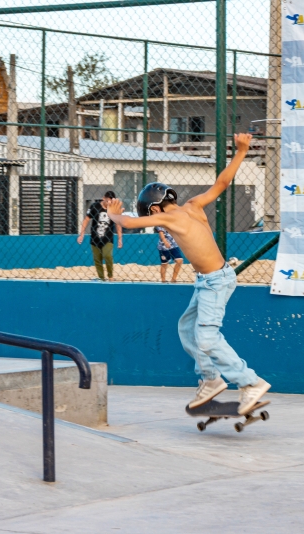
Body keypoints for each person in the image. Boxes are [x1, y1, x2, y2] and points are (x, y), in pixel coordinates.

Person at [106, 134, 270, 414]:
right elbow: (222, 183)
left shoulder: (168, 217)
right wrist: (241, 151)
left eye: (152, 214)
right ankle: (210, 380)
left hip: (215, 282)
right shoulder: (192, 205)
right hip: (210, 280)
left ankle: (249, 382)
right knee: (186, 328)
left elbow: (131, 222)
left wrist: (113, 216)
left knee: (206, 337)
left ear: (155, 209)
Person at [77, 191, 124, 281]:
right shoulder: (94, 206)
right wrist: (81, 234)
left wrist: (120, 238)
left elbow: (118, 224)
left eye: (111, 202)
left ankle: (110, 276)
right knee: (97, 260)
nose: (109, 203)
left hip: (108, 238)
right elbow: (86, 220)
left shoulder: (113, 209)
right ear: (103, 198)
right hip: (95, 238)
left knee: (107, 256)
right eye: (108, 201)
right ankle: (101, 278)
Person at [147, 201, 186, 283]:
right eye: (153, 212)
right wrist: (165, 241)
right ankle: (163, 280)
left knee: (179, 260)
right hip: (163, 246)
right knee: (164, 264)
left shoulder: (169, 217)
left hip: (174, 244)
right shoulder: (158, 221)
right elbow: (161, 233)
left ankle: (173, 279)